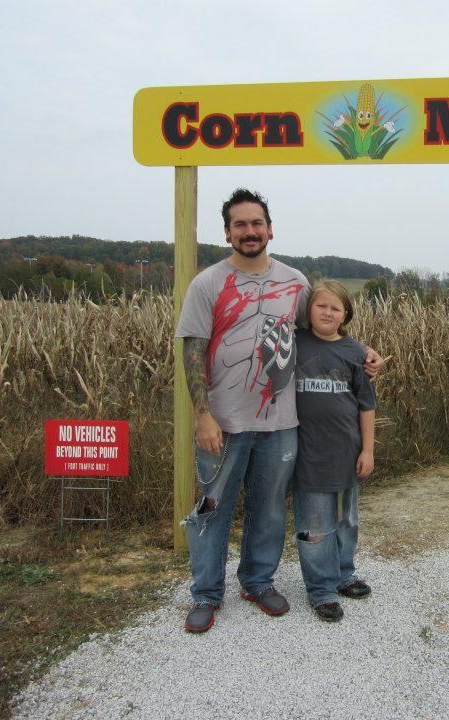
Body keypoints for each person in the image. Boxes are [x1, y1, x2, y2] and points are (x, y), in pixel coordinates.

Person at [176, 189, 381, 634]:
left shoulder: (296, 282)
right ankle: (206, 593)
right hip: (224, 423)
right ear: (227, 233)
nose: (249, 231)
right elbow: (192, 350)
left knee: (269, 509)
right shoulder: (207, 284)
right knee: (212, 508)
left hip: (281, 423)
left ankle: (257, 581)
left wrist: (363, 352)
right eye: (240, 225)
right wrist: (202, 414)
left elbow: (325, 329)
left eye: (257, 223)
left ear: (270, 230)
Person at [292, 280, 376, 622]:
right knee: (315, 526)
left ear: (346, 314)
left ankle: (344, 573)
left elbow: (367, 406)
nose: (327, 313)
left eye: (335, 308)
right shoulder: (295, 343)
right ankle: (320, 589)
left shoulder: (356, 353)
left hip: (346, 454)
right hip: (307, 454)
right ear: (308, 310)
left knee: (346, 520)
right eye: (320, 305)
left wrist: (368, 450)